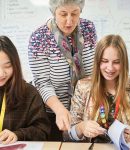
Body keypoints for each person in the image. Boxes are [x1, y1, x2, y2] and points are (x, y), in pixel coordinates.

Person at [28, 0, 97, 141]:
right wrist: (60, 110)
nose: (69, 21)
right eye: (63, 14)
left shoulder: (88, 28)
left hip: (86, 111)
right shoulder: (39, 38)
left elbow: (93, 72)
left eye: (75, 14)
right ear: (54, 12)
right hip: (55, 115)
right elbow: (42, 83)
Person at [67, 34, 130, 144]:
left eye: (116, 62)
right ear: (97, 62)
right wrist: (82, 127)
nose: (110, 68)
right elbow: (68, 135)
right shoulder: (83, 87)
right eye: (105, 61)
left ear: (124, 63)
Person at [0, 36, 51, 144]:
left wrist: (18, 135)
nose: (1, 73)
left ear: (15, 64)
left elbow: (42, 131)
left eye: (7, 66)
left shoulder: (28, 93)